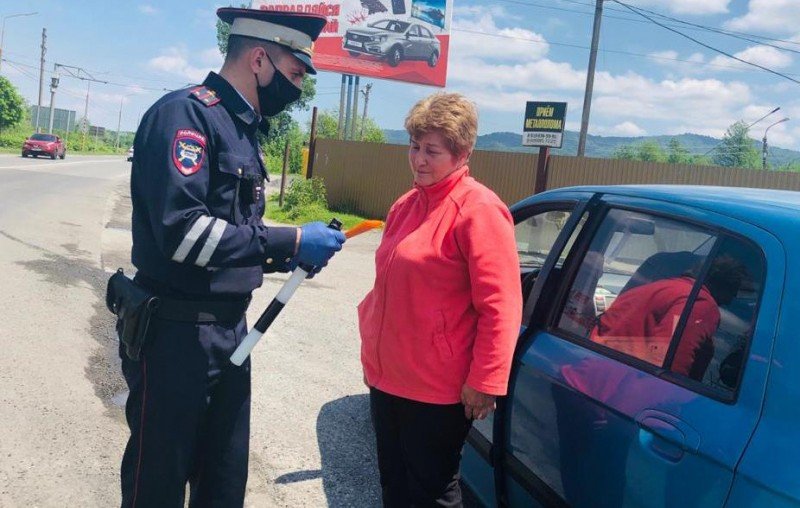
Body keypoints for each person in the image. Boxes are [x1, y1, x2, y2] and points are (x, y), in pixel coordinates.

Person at [119, 8, 346, 507]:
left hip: (229, 335)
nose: (298, 88)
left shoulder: (243, 128)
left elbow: (235, 233)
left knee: (222, 484)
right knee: (156, 484)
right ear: (259, 59)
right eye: (294, 74)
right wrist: (288, 242)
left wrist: (289, 257)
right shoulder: (186, 116)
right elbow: (184, 235)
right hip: (175, 337)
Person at [358, 93, 522, 506]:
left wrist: (486, 381)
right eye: (414, 146)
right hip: (389, 378)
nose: (419, 160)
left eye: (432, 151)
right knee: (393, 485)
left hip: (436, 389)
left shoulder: (479, 210)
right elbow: (388, 288)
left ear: (462, 153)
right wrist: (372, 352)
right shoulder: (406, 205)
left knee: (431, 493)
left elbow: (501, 305)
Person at [590, 255, 746, 379]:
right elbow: (671, 365)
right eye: (732, 292)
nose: (730, 301)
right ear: (722, 285)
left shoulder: (662, 288)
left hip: (594, 370)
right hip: (617, 388)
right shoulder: (701, 304)